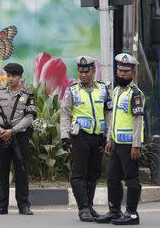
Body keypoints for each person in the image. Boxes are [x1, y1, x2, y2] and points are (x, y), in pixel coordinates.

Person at [60, 56, 112, 222]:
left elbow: (109, 114)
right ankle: (83, 208)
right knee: (79, 174)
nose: (82, 74)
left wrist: (107, 137)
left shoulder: (103, 90)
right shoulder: (72, 90)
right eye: (80, 71)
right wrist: (65, 138)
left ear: (93, 71)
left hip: (97, 137)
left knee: (94, 173)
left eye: (86, 71)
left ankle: (89, 206)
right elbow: (65, 114)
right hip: (79, 137)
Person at [95, 53, 145, 225]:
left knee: (131, 178)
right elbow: (113, 118)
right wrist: (109, 139)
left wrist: (136, 145)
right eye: (120, 71)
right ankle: (114, 211)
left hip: (129, 144)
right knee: (112, 177)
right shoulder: (116, 91)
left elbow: (138, 121)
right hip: (117, 144)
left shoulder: (135, 94)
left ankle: (132, 214)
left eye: (126, 71)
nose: (122, 74)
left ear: (133, 72)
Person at [0, 63, 36, 215]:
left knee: (21, 170)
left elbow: (29, 117)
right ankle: (1, 205)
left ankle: (24, 205)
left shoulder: (27, 96)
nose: (10, 79)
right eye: (8, 76)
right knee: (2, 171)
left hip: (19, 136)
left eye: (13, 76)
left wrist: (13, 130)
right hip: (2, 135)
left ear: (20, 77)